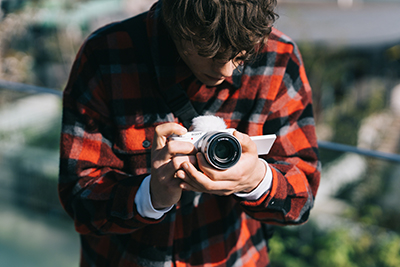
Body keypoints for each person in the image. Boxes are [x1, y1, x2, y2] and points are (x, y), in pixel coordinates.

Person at [58, 0, 320, 266]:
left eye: (241, 55)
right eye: (213, 53)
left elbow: (303, 198)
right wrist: (150, 195)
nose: (227, 69)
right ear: (178, 23)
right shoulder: (107, 55)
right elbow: (80, 200)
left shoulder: (278, 57)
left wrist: (256, 180)